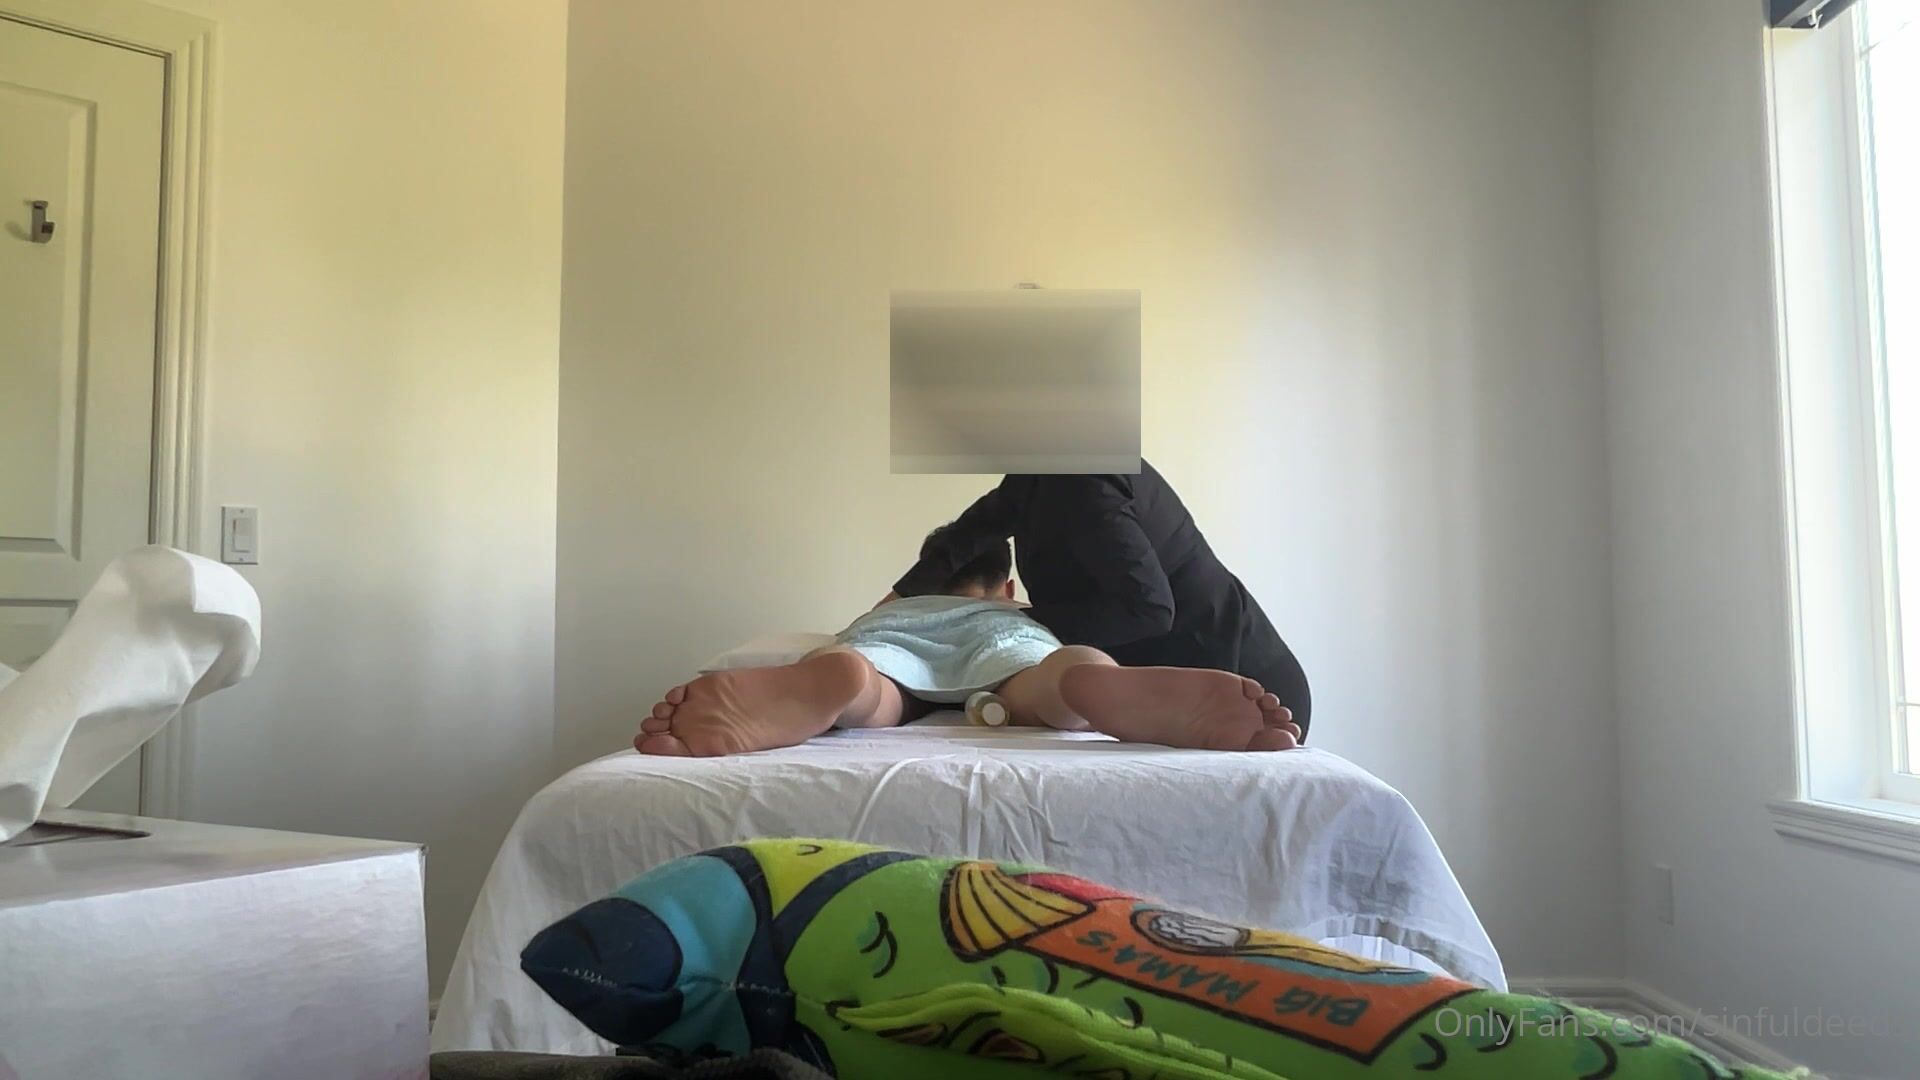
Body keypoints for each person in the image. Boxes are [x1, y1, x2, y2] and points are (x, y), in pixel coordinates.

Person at [636, 529, 1302, 757]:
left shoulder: (894, 608)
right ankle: (1087, 684)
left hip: (890, 641)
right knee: (1046, 678)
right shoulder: (1011, 609)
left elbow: (880, 616)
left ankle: (841, 681)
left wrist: (870, 630)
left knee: (875, 690)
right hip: (1004, 643)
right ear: (1006, 585)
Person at [881, 459, 1314, 737]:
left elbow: (1148, 608)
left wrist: (1015, 620)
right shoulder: (1036, 473)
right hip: (1158, 672)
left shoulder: (1086, 479)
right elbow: (966, 536)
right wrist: (891, 607)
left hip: (1238, 677)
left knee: (1059, 681)